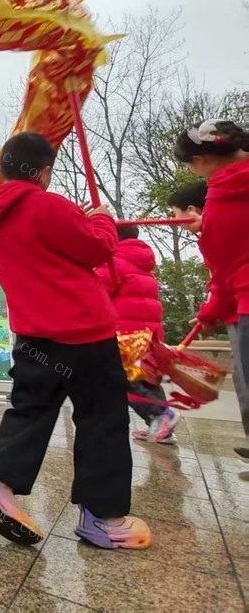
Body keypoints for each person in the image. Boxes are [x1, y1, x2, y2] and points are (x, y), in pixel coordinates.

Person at [0, 132, 151, 551]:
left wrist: (80, 221)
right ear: (44, 171)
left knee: (31, 409)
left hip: (33, 334)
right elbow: (98, 248)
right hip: (83, 332)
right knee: (101, 418)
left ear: (2, 167)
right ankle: (102, 517)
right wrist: (101, 217)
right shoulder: (46, 203)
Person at [172, 119, 249, 460]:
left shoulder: (221, 196)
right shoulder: (221, 199)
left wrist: (210, 311)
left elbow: (225, 268)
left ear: (201, 161)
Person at [94, 226, 179, 444]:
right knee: (147, 379)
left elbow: (96, 291)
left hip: (124, 332)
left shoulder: (113, 261)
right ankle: (162, 428)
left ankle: (159, 415)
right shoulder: (142, 263)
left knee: (119, 378)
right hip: (149, 332)